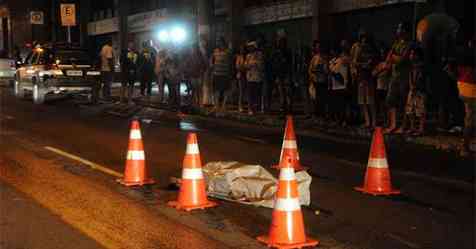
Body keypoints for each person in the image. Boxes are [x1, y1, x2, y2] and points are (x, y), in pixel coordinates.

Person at [384, 23, 411, 133]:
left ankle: (403, 126)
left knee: (403, 102)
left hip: (404, 77)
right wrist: (392, 58)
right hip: (394, 76)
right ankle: (393, 124)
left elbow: (402, 59)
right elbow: (388, 59)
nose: (398, 30)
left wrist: (393, 57)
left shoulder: (409, 44)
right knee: (390, 100)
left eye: (400, 28)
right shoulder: (395, 44)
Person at [396, 46, 429, 135]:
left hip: (420, 90)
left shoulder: (421, 66)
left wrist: (415, 86)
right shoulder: (412, 66)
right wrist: (411, 86)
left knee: (420, 110)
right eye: (411, 54)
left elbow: (421, 78)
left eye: (414, 54)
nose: (412, 56)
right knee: (410, 109)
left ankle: (421, 129)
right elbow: (411, 76)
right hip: (413, 89)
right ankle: (412, 127)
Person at [351, 31, 377, 128]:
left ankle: (373, 121)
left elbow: (372, 63)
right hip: (361, 77)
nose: (363, 43)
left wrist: (365, 64)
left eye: (365, 41)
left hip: (369, 78)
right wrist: (362, 64)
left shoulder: (372, 51)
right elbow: (355, 63)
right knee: (363, 101)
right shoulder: (358, 50)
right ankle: (367, 121)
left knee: (371, 101)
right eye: (362, 41)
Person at [457, 38, 475, 155]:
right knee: (470, 120)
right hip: (472, 89)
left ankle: (465, 146)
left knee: (469, 118)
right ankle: (464, 147)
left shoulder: (463, 54)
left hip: (463, 88)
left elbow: (450, 69)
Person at [329, 42, 352, 126]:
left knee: (343, 104)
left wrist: (331, 66)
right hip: (335, 85)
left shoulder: (342, 60)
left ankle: (344, 120)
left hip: (342, 85)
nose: (332, 53)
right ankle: (338, 119)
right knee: (337, 105)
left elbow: (336, 70)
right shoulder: (332, 61)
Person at [271, 37, 293, 114]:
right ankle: (282, 107)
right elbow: (273, 63)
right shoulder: (276, 52)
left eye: (281, 42)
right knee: (281, 92)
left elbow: (290, 63)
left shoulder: (287, 52)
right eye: (279, 42)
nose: (280, 44)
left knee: (287, 91)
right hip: (279, 73)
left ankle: (289, 107)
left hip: (286, 73)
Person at [210, 37, 232, 112]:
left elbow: (230, 60)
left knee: (225, 90)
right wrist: (211, 65)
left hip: (225, 74)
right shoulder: (215, 51)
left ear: (223, 43)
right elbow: (212, 59)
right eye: (218, 42)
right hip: (216, 73)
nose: (218, 43)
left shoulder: (227, 51)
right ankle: (216, 106)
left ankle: (223, 106)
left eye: (219, 42)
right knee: (216, 90)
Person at [308, 40, 329, 119]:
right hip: (316, 81)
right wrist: (313, 77)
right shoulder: (314, 58)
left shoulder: (325, 57)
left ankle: (322, 115)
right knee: (317, 99)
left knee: (323, 99)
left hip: (323, 81)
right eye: (317, 47)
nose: (319, 48)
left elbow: (327, 70)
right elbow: (310, 70)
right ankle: (317, 114)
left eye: (320, 47)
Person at [372, 47, 391, 126]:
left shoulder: (389, 63)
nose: (382, 54)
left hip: (386, 87)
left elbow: (388, 72)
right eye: (381, 53)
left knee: (387, 105)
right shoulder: (379, 64)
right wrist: (381, 70)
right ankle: (383, 120)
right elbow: (373, 73)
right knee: (380, 106)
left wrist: (380, 70)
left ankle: (388, 121)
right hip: (379, 87)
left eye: (384, 53)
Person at [244, 41, 265, 115]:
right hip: (250, 77)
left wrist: (253, 63)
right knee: (250, 94)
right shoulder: (248, 55)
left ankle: (256, 109)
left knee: (257, 94)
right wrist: (251, 64)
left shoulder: (260, 54)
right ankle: (250, 108)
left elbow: (260, 65)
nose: (250, 48)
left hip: (258, 77)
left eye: (251, 47)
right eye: (249, 47)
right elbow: (246, 65)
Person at [235, 44, 247, 112]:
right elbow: (237, 66)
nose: (242, 50)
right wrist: (243, 68)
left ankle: (246, 105)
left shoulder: (247, 56)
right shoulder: (239, 57)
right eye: (241, 49)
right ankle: (240, 106)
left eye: (243, 49)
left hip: (248, 75)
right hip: (241, 75)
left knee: (247, 91)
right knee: (241, 91)